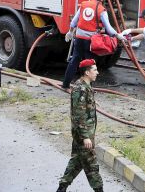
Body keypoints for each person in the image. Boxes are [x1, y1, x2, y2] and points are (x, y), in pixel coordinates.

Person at [56, 59, 102, 192]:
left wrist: (92, 103)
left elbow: (83, 106)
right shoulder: (81, 88)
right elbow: (78, 114)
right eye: (94, 70)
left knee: (76, 161)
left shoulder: (84, 86)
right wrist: (85, 137)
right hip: (84, 134)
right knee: (91, 165)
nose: (97, 73)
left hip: (83, 133)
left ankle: (61, 188)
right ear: (87, 72)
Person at [61, 0, 120, 89]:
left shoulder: (84, 4)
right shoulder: (102, 10)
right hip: (90, 41)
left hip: (79, 38)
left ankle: (65, 85)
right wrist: (118, 35)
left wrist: (70, 32)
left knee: (74, 60)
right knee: (90, 64)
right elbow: (109, 28)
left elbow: (74, 22)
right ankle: (88, 89)